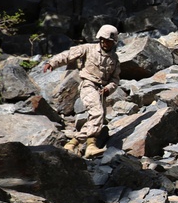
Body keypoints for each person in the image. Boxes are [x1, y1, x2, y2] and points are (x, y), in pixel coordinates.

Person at [43, 24, 121, 158]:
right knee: (97, 113)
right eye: (104, 40)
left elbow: (115, 80)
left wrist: (109, 89)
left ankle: (88, 146)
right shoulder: (87, 49)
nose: (106, 43)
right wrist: (53, 62)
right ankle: (74, 143)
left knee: (98, 118)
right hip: (88, 85)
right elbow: (68, 55)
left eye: (109, 41)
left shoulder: (114, 59)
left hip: (101, 90)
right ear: (100, 39)